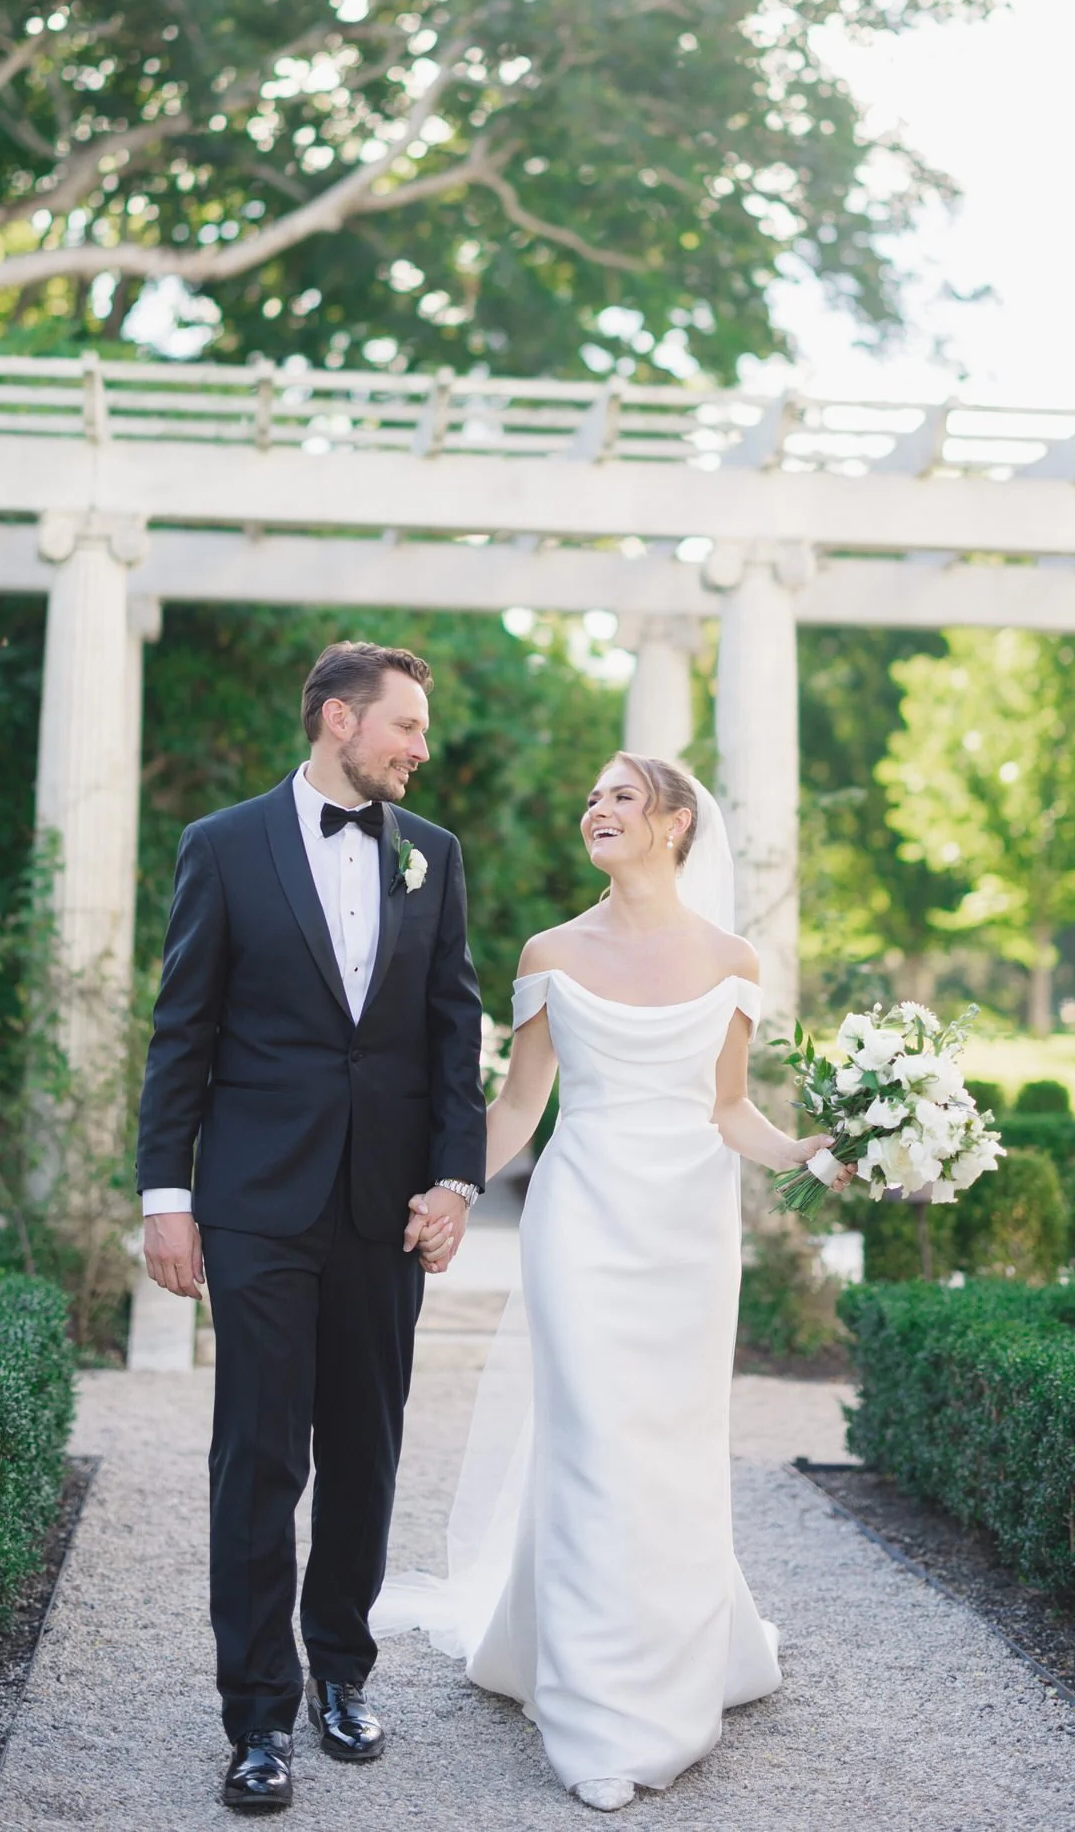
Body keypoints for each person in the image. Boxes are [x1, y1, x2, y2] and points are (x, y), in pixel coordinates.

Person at [375, 751, 847, 1812]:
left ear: (675, 822)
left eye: (620, 795)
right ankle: (599, 1715)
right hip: (581, 1216)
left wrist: (810, 1153)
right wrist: (450, 1187)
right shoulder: (551, 951)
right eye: (590, 794)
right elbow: (517, 1107)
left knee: (669, 1452)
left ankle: (678, 1657)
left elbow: (730, 1110)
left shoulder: (735, 960)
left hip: (687, 1228)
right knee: (590, 1438)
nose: (597, 807)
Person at [135, 640, 486, 1814]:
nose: (420, 749)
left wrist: (456, 1181)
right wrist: (166, 1198)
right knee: (258, 1455)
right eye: (407, 727)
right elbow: (180, 1032)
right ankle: (256, 1716)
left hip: (385, 1211)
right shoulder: (221, 846)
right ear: (340, 719)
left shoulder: (434, 859)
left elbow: (454, 1035)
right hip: (256, 1204)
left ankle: (342, 1671)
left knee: (368, 1451)